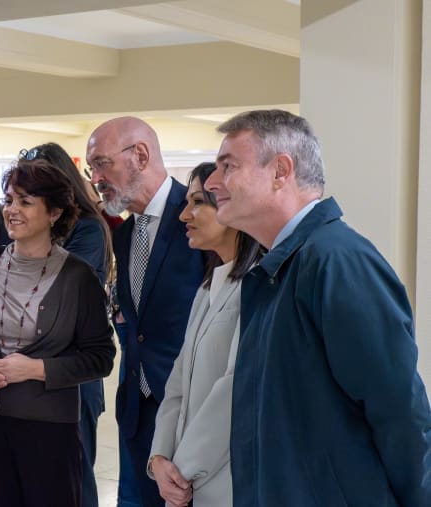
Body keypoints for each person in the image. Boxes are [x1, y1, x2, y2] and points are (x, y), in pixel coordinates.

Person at [204, 109, 431, 506]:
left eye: (228, 166)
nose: (211, 182)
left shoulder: (336, 260)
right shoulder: (279, 267)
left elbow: (397, 409)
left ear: (280, 171)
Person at [0, 159, 116, 507]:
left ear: (54, 213)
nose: (12, 211)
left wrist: (35, 369)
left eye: (25, 202)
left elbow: (100, 356)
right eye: (8, 200)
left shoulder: (78, 276)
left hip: (49, 425)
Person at [87, 117, 205, 507]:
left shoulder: (198, 219)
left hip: (191, 411)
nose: (96, 178)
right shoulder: (123, 233)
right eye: (92, 169)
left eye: (102, 164)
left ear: (140, 155)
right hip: (137, 409)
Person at [147, 163, 262, 507]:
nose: (184, 215)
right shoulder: (208, 286)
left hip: (224, 480)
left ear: (230, 205)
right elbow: (177, 384)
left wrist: (181, 470)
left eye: (197, 202)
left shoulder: (256, 289)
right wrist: (159, 458)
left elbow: (233, 390)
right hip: (185, 479)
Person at [18, 142, 114, 507]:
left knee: (73, 477)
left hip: (72, 371)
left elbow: (61, 292)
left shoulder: (88, 229)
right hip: (30, 372)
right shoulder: (27, 231)